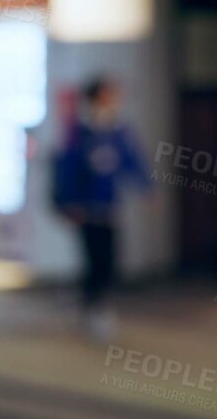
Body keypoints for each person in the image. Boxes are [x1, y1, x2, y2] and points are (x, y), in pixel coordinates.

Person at [53, 77, 153, 340]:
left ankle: (89, 300)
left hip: (110, 207)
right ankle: (93, 307)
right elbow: (67, 167)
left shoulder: (119, 130)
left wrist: (146, 188)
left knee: (109, 261)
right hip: (86, 209)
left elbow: (132, 161)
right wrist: (69, 201)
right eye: (109, 96)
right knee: (93, 259)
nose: (115, 101)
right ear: (95, 98)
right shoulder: (78, 130)